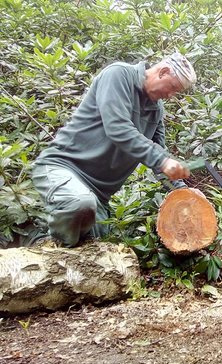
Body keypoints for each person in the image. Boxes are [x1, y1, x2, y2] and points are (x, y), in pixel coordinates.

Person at [31, 52, 197, 247]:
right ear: (163, 72)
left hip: (98, 195)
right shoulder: (118, 75)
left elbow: (159, 156)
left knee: (97, 243)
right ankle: (45, 249)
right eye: (173, 88)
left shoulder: (156, 110)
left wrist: (185, 193)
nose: (170, 96)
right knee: (78, 205)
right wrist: (162, 160)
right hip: (64, 168)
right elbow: (117, 128)